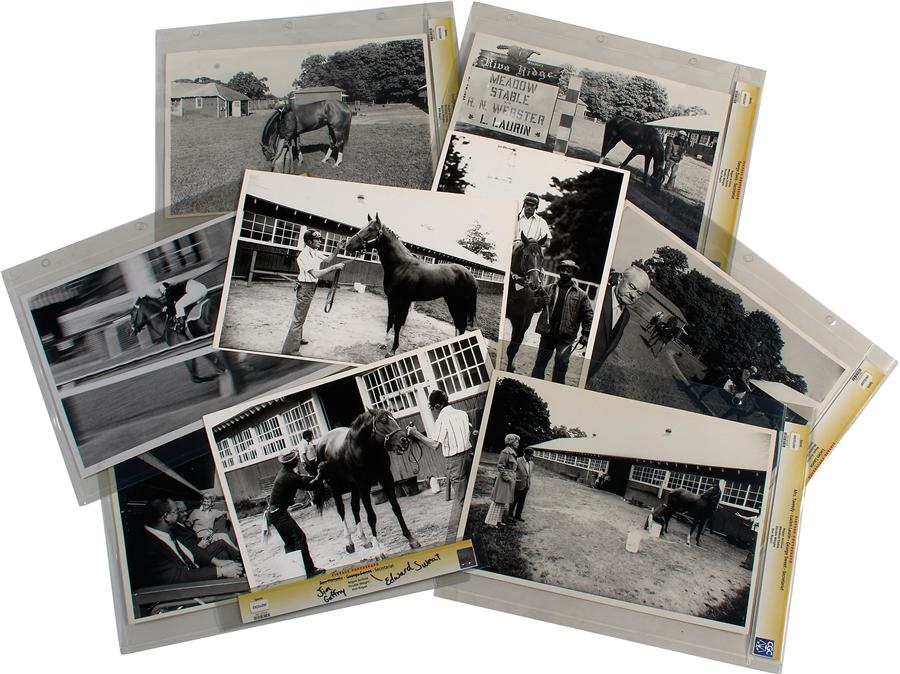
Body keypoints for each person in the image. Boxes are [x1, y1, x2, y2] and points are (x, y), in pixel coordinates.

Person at [135, 498, 243, 587]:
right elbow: (178, 577)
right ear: (166, 517)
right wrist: (221, 571)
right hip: (187, 589)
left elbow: (190, 548)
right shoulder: (148, 547)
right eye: (176, 511)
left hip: (193, 575)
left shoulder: (164, 531)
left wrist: (216, 562)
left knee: (230, 564)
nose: (182, 514)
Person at [281, 228, 345, 355]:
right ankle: (290, 351)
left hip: (310, 287)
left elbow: (329, 259)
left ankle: (297, 339)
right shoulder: (304, 255)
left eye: (320, 239)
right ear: (309, 241)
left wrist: (338, 247)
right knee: (298, 319)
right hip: (305, 287)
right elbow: (316, 274)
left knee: (301, 316)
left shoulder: (314, 252)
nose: (320, 241)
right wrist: (335, 267)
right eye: (317, 239)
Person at [265, 449, 325, 578]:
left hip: (274, 513)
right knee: (299, 537)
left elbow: (302, 479)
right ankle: (309, 571)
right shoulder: (289, 477)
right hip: (279, 514)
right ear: (293, 462)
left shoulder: (285, 472)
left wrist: (315, 476)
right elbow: (309, 486)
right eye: (296, 459)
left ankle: (295, 572)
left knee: (290, 542)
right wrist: (320, 474)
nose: (298, 460)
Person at [531, 260, 593, 384]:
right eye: (562, 270)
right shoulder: (548, 289)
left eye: (568, 271)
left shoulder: (581, 295)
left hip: (566, 338)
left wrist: (586, 334)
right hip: (548, 334)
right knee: (540, 363)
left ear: (573, 274)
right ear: (559, 271)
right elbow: (534, 307)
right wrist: (543, 301)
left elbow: (588, 315)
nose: (564, 272)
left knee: (561, 366)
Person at [587, 265, 651, 380]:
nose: (633, 295)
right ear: (621, 278)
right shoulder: (597, 296)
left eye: (639, 293)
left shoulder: (626, 316)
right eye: (631, 286)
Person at [429, 389, 473, 502]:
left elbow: (435, 445)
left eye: (433, 408)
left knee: (463, 498)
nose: (434, 411)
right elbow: (470, 429)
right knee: (472, 492)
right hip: (469, 455)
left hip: (455, 461)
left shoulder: (441, 420)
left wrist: (416, 434)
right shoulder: (462, 414)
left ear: (438, 405)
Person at [172, 500, 241, 562]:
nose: (185, 513)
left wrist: (203, 540)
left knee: (222, 539)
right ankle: (240, 558)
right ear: (175, 513)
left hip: (201, 543)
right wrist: (199, 545)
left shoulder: (183, 525)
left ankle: (238, 556)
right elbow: (186, 549)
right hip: (197, 554)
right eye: (182, 512)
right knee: (222, 542)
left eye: (186, 511)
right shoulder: (176, 529)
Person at [484, 434, 519, 528]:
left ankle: (498, 521)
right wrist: (507, 478)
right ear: (511, 442)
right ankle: (491, 522)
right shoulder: (506, 452)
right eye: (516, 441)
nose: (518, 443)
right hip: (504, 480)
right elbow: (500, 466)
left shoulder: (512, 453)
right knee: (498, 500)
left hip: (509, 480)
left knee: (503, 501)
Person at [511, 446, 534, 522]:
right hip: (517, 485)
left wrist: (528, 484)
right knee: (513, 501)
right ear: (525, 454)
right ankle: (510, 515)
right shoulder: (517, 460)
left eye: (532, 456)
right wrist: (515, 480)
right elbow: (513, 472)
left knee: (521, 502)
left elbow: (529, 474)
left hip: (526, 485)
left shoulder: (531, 463)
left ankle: (518, 516)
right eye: (530, 456)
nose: (531, 458)